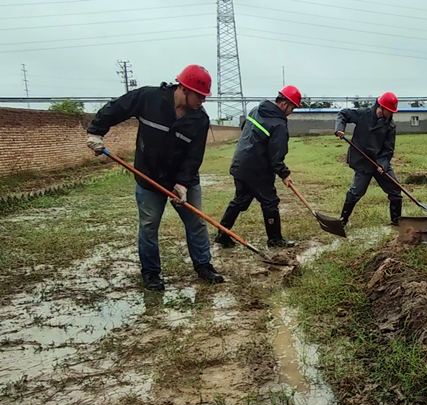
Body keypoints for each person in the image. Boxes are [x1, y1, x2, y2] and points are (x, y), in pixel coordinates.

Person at [85, 64, 223, 292]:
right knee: (149, 226)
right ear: (184, 88)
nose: (203, 100)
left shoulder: (200, 120)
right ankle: (151, 274)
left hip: (183, 181)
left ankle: (203, 266)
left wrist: (182, 184)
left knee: (196, 223)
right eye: (199, 95)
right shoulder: (149, 98)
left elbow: (193, 157)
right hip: (148, 177)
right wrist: (96, 131)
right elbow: (117, 108)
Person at [215, 85, 302, 249]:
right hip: (257, 169)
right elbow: (276, 156)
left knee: (240, 200)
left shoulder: (256, 110)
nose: (291, 112)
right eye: (292, 108)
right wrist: (284, 174)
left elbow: (245, 130)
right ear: (284, 104)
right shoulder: (279, 124)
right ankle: (275, 239)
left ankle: (222, 233)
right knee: (270, 202)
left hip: (240, 163)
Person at [334, 92, 403, 227]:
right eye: (390, 110)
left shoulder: (390, 125)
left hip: (379, 162)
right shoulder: (363, 114)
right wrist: (340, 129)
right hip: (363, 161)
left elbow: (388, 149)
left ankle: (396, 222)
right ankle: (342, 221)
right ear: (381, 107)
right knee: (356, 192)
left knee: (395, 190)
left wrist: (382, 165)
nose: (391, 113)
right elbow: (343, 114)